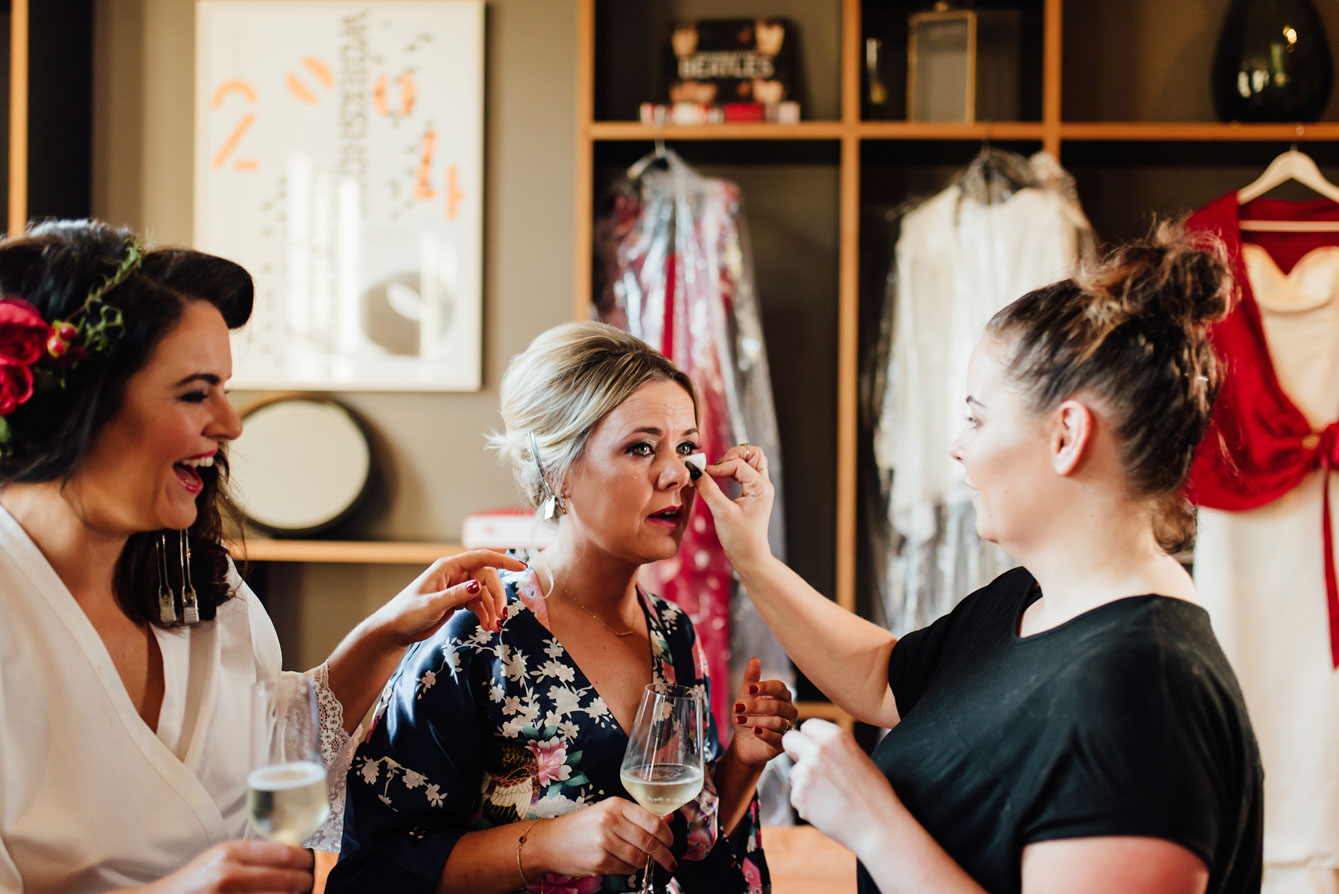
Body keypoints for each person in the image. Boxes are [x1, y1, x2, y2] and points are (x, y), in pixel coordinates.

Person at [693, 225, 1264, 894]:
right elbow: (884, 680)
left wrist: (873, 823)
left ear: (1065, 436)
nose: (956, 448)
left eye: (976, 418)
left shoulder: (1143, 695)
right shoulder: (1030, 599)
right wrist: (751, 558)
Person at [0, 219, 524, 892]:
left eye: (225, 387)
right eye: (196, 393)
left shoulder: (195, 580)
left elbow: (268, 748)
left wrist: (384, 635)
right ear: (79, 402)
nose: (230, 423)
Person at [329, 321, 796, 893]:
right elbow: (377, 868)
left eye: (688, 447)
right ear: (558, 472)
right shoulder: (478, 630)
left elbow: (684, 836)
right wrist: (546, 845)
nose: (678, 474)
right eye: (641, 447)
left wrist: (743, 764)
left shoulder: (674, 633)